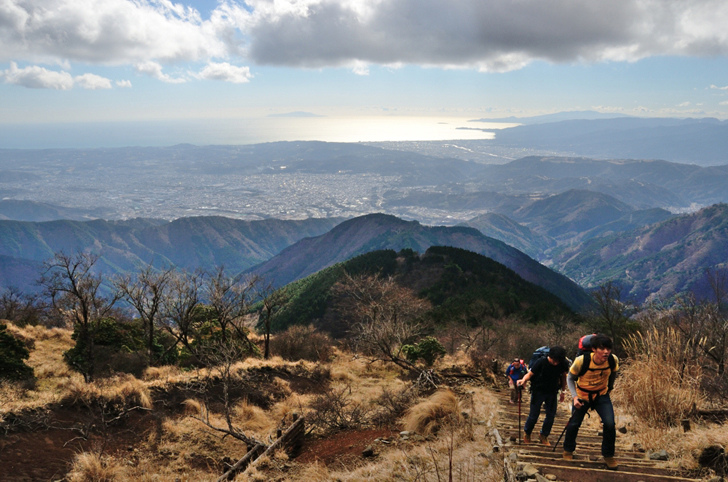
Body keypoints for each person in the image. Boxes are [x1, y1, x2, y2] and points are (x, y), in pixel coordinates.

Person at [563, 333, 620, 470]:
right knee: (574, 424)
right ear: (594, 349)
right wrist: (575, 397)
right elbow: (570, 378)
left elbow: (613, 374)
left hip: (601, 395)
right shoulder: (582, 361)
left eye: (608, 348)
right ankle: (568, 450)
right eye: (602, 348)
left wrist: (609, 389)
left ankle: (608, 455)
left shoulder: (613, 360)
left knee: (610, 424)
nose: (606, 352)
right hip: (582, 395)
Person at [516, 346, 569, 445]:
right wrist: (523, 380)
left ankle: (544, 435)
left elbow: (563, 376)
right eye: (554, 360)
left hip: (552, 391)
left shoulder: (563, 364)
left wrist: (563, 391)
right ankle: (527, 432)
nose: (556, 363)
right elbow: (530, 374)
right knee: (533, 415)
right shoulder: (541, 362)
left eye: (558, 361)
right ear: (550, 356)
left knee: (551, 416)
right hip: (538, 390)